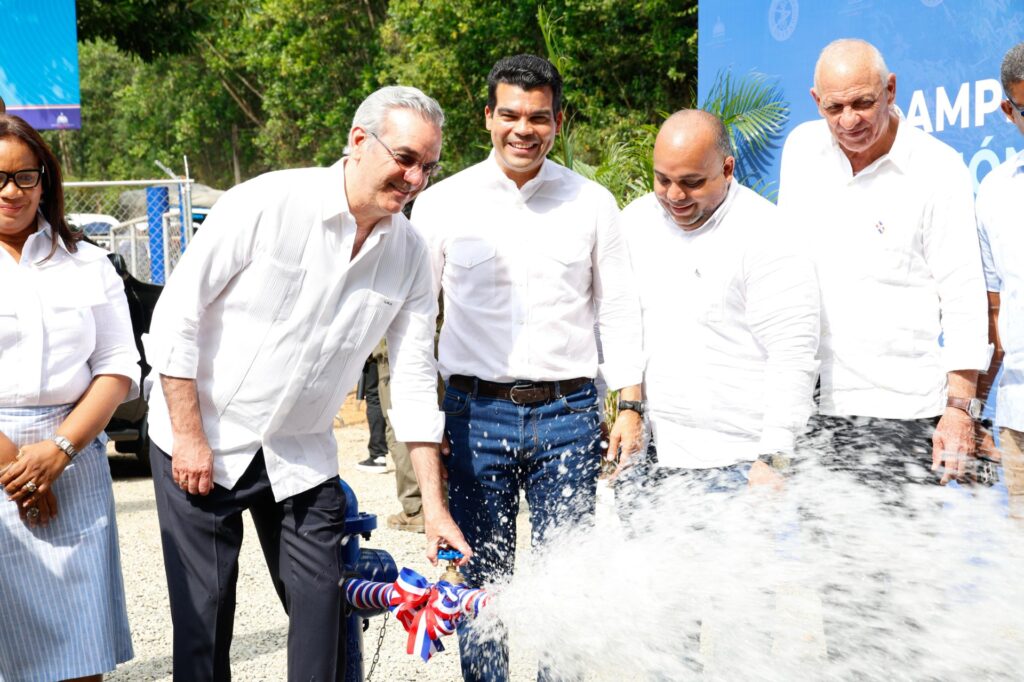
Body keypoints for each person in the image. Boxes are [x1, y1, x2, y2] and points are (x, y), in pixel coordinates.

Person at [144, 86, 463, 681]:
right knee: (205, 620)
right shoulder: (267, 203)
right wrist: (188, 436)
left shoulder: (412, 256)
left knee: (324, 617)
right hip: (204, 437)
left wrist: (435, 510)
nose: (416, 178)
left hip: (300, 451)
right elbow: (176, 317)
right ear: (359, 141)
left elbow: (416, 384)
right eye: (406, 158)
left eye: (428, 166)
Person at [411, 54, 644, 682]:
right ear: (487, 117)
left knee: (568, 579)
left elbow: (619, 308)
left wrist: (630, 405)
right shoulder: (441, 204)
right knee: (481, 582)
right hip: (472, 417)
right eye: (509, 114)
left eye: (538, 117)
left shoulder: (592, 203)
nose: (523, 129)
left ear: (558, 121)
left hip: (569, 418)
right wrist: (419, 434)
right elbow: (412, 328)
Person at [778, 38, 989, 495]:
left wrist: (958, 411)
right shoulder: (799, 151)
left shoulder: (938, 168)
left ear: (891, 90)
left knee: (905, 566)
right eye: (835, 107)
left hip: (906, 414)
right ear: (816, 101)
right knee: (824, 562)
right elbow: (787, 275)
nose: (849, 120)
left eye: (863, 102)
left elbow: (963, 297)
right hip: (815, 410)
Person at [0, 114, 138, 680]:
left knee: (81, 654)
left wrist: (57, 452)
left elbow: (116, 365)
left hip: (74, 460)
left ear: (45, 181)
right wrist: (18, 470)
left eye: (23, 177)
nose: (10, 191)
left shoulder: (86, 261)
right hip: (1, 460)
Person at [620, 109, 819, 494]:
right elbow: (615, 326)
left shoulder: (768, 233)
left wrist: (774, 456)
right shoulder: (633, 223)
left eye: (692, 183)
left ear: (728, 169)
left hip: (739, 466)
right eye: (663, 180)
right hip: (649, 462)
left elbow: (792, 353)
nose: (675, 195)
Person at [976, 40, 1024, 525]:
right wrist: (971, 408)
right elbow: (994, 314)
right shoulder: (994, 193)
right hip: (1019, 422)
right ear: (1009, 111)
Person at [373, 339, 424, 531]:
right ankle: (440, 502)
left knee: (399, 428)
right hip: (434, 348)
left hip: (398, 350)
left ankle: (416, 508)